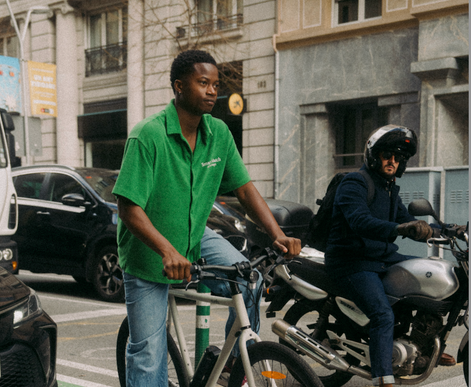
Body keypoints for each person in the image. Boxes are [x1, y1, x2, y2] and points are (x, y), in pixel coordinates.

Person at [113, 50, 302, 387]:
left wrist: (277, 234)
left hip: (197, 238)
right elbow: (128, 209)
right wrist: (167, 252)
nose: (213, 91)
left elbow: (244, 190)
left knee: (250, 279)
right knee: (148, 352)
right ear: (179, 86)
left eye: (216, 84)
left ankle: (235, 365)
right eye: (204, 83)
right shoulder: (148, 136)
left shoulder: (218, 134)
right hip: (148, 256)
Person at [324, 125, 455, 387]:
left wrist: (451, 229)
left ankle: (426, 349)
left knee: (430, 278)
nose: (392, 161)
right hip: (352, 261)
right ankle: (383, 379)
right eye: (387, 155)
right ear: (374, 155)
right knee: (383, 315)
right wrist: (400, 229)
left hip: (381, 257)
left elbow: (408, 219)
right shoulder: (355, 182)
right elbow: (360, 220)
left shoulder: (388, 188)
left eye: (398, 158)